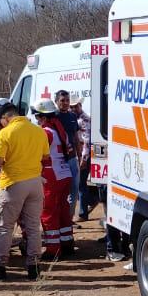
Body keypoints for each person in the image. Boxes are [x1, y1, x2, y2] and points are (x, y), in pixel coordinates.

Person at [0, 101, 47, 281]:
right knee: (33, 227)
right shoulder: (38, 131)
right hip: (35, 183)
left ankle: (0, 265)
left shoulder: (5, 133)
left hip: (13, 184)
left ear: (6, 118)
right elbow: (45, 156)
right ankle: (34, 267)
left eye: (0, 120)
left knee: (6, 227)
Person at [31, 99, 74, 260]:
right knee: (63, 210)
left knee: (48, 212)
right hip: (64, 173)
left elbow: (37, 155)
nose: (36, 120)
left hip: (51, 175)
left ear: (42, 116)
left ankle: (53, 249)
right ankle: (67, 242)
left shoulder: (45, 132)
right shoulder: (58, 129)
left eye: (37, 117)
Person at [54, 90, 86, 222]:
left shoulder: (73, 116)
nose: (65, 103)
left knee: (74, 190)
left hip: (72, 159)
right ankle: (58, 220)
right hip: (57, 160)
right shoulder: (53, 117)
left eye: (67, 100)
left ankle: (69, 220)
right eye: (62, 100)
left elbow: (76, 138)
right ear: (56, 102)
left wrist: (80, 156)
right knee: (58, 192)